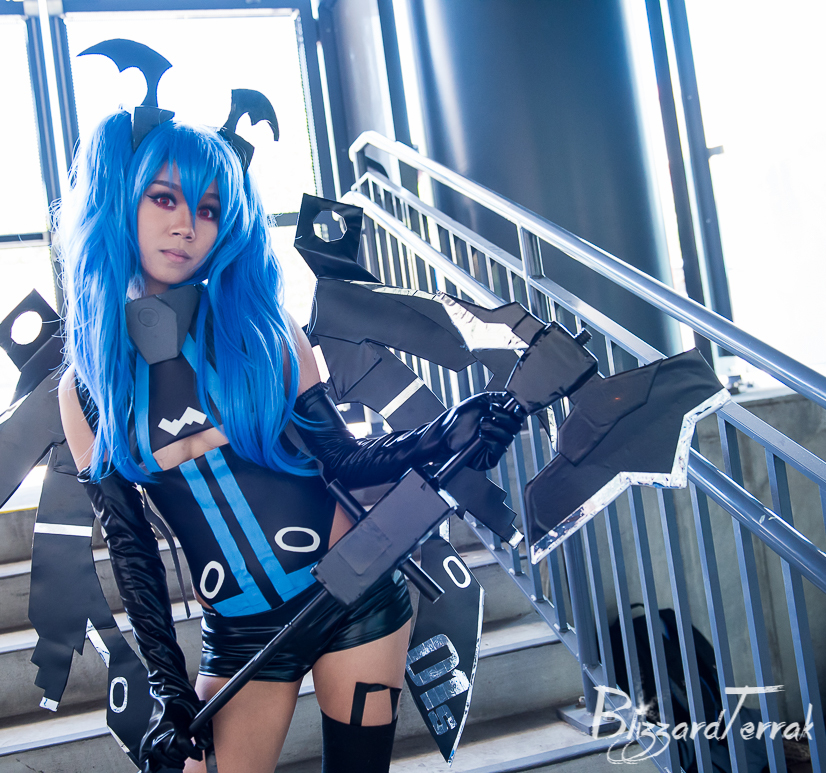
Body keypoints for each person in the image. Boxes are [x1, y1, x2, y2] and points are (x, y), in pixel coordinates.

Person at [56, 112, 522, 773]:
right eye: (164, 198)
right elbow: (132, 548)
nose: (187, 225)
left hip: (353, 595)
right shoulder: (89, 386)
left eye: (208, 209)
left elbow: (345, 461)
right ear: (119, 202)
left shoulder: (263, 331)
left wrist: (442, 434)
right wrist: (166, 685)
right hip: (240, 630)